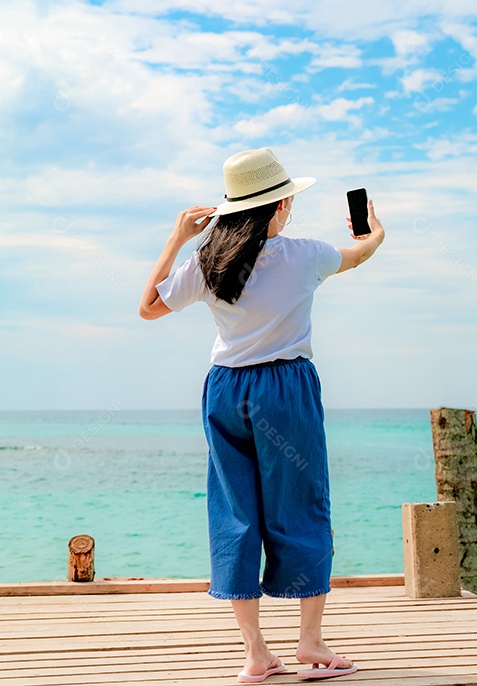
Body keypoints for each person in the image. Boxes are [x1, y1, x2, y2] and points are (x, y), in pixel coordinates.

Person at [137, 147, 385, 683]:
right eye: (288, 197)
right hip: (285, 388)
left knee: (235, 512)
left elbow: (149, 307)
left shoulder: (209, 263)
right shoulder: (307, 255)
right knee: (303, 504)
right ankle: (311, 644)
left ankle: (256, 652)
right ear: (277, 207)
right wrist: (374, 234)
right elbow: (361, 253)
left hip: (225, 389)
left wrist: (176, 239)